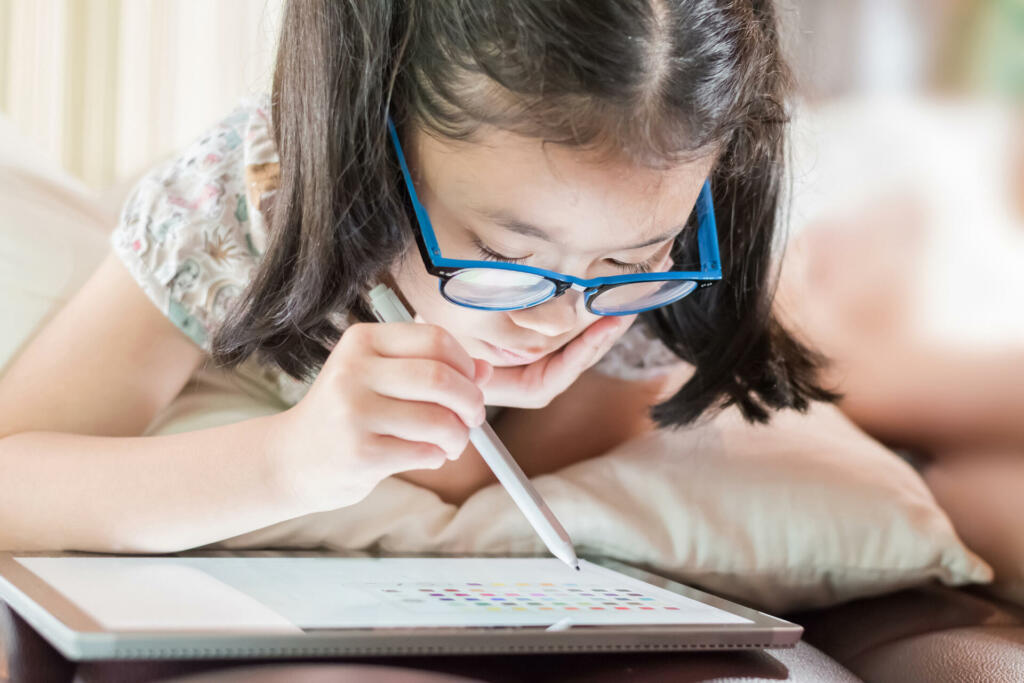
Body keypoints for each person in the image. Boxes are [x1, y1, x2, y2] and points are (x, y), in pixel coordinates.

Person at [0, 0, 835, 553]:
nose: (557, 318)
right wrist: (288, 462)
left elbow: (481, 470)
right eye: (506, 258)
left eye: (627, 259)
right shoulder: (239, 201)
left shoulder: (662, 271)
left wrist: (498, 419)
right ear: (373, 142)